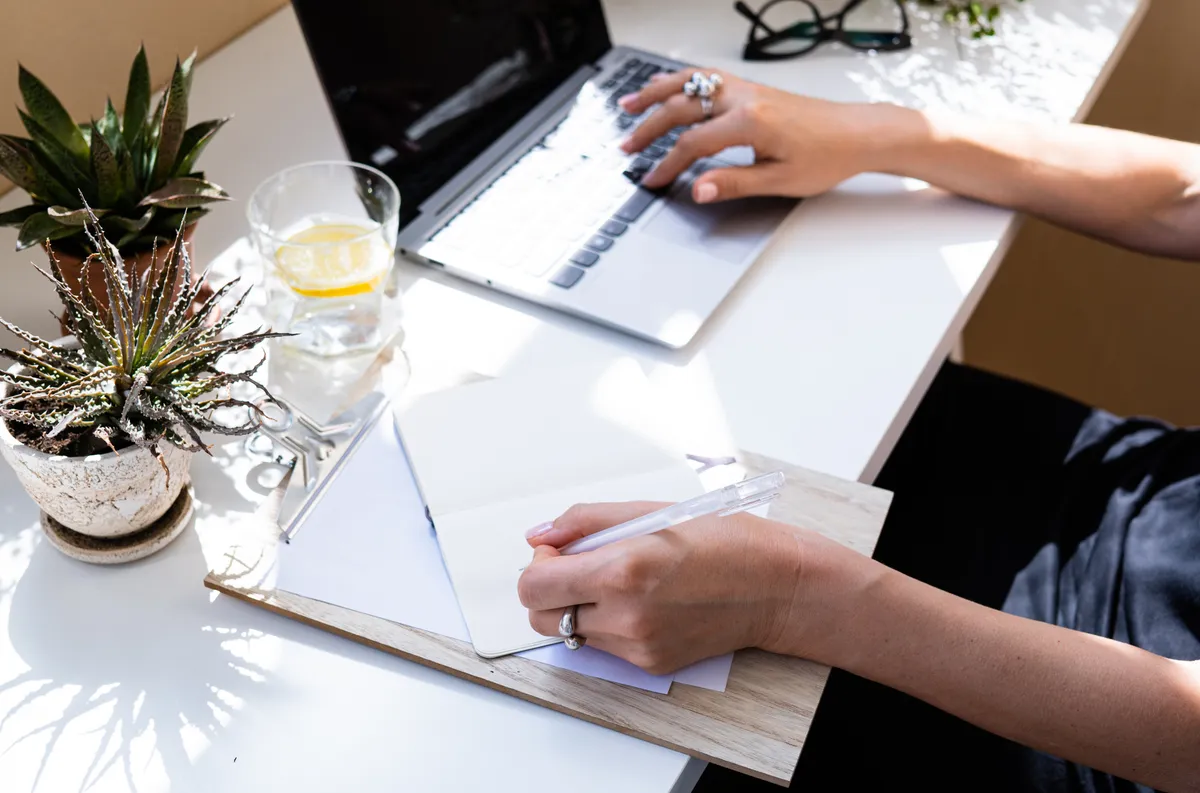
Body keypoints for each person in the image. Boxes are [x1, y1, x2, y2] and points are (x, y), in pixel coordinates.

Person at [516, 69, 1200, 792]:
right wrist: (874, 132)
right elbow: (1184, 192)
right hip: (1126, 486)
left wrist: (793, 600)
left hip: (1100, 735)